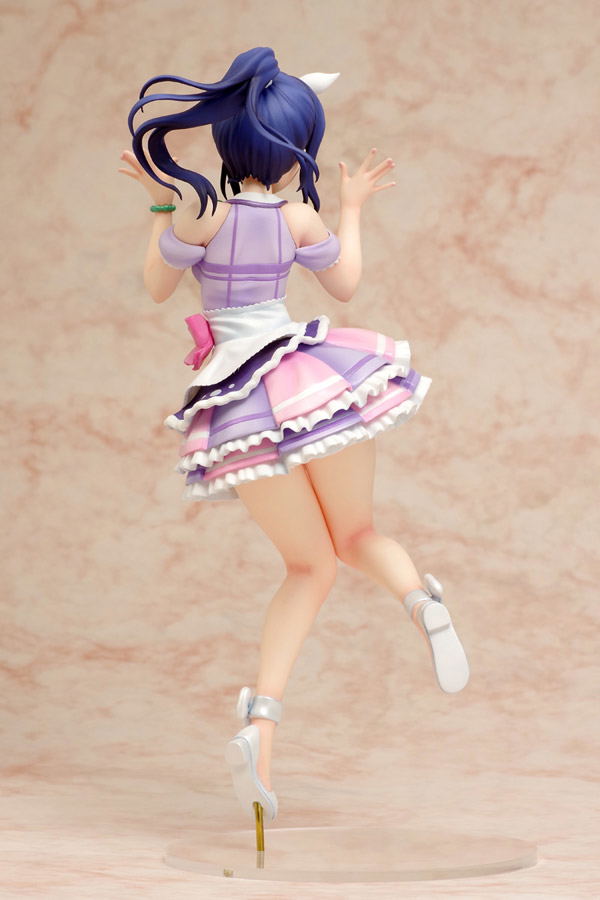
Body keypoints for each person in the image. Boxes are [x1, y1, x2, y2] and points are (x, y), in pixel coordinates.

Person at [119, 46, 469, 837]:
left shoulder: (201, 214)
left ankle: (262, 726)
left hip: (239, 400)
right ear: (298, 150)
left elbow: (157, 286)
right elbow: (344, 285)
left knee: (308, 567)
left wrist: (160, 206)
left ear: (227, 139)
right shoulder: (296, 218)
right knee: (358, 535)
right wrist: (352, 206)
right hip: (309, 377)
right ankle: (419, 599)